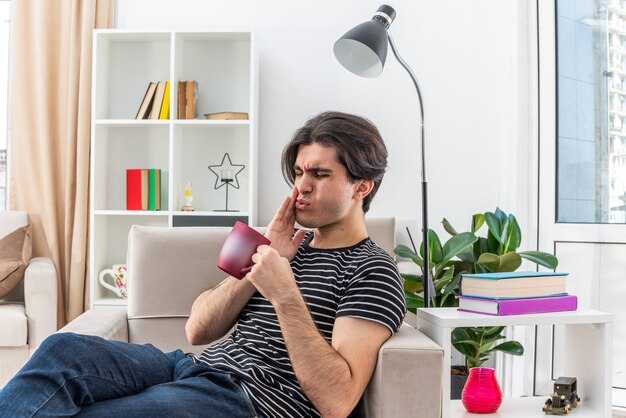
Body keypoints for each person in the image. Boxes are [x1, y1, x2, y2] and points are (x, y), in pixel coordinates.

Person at [0, 111, 406, 418]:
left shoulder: (373, 270)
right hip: (191, 366)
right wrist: (261, 260)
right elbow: (197, 329)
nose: (301, 186)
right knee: (61, 349)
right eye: (299, 172)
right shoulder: (274, 246)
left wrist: (284, 293)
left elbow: (336, 401)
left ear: (362, 186)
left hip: (248, 398)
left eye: (319, 174)